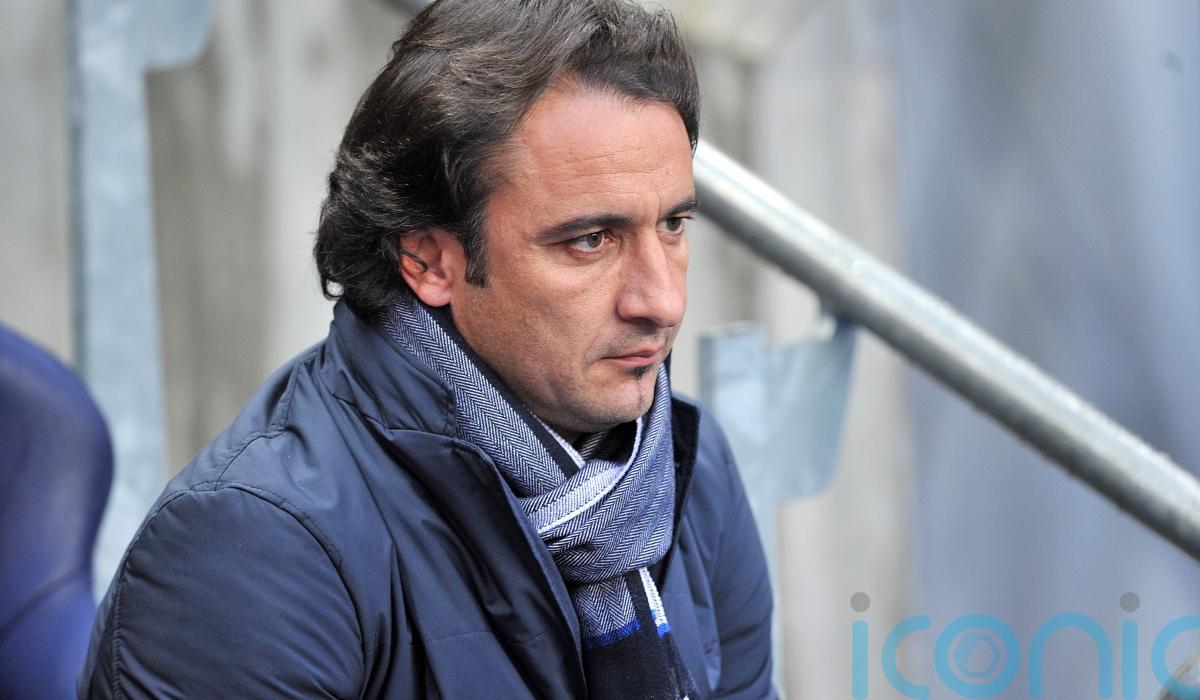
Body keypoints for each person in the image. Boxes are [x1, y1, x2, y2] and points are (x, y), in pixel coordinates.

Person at [78, 0, 774, 697]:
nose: (662, 301)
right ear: (430, 261)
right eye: (590, 241)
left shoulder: (687, 466)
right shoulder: (256, 547)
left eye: (674, 225)